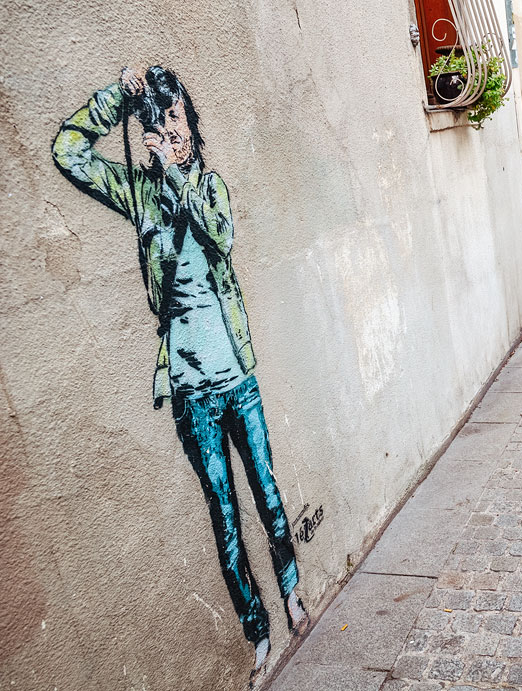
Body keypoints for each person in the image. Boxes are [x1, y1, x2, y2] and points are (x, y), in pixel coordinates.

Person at [52, 66, 308, 678]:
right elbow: (68, 152)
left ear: (192, 122)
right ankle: (258, 632)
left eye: (181, 118)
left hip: (238, 382)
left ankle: (292, 591)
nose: (176, 130)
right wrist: (119, 98)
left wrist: (179, 178)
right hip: (192, 394)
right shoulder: (139, 195)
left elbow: (222, 239)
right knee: (224, 519)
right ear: (148, 132)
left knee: (268, 495)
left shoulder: (211, 186)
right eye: (163, 122)